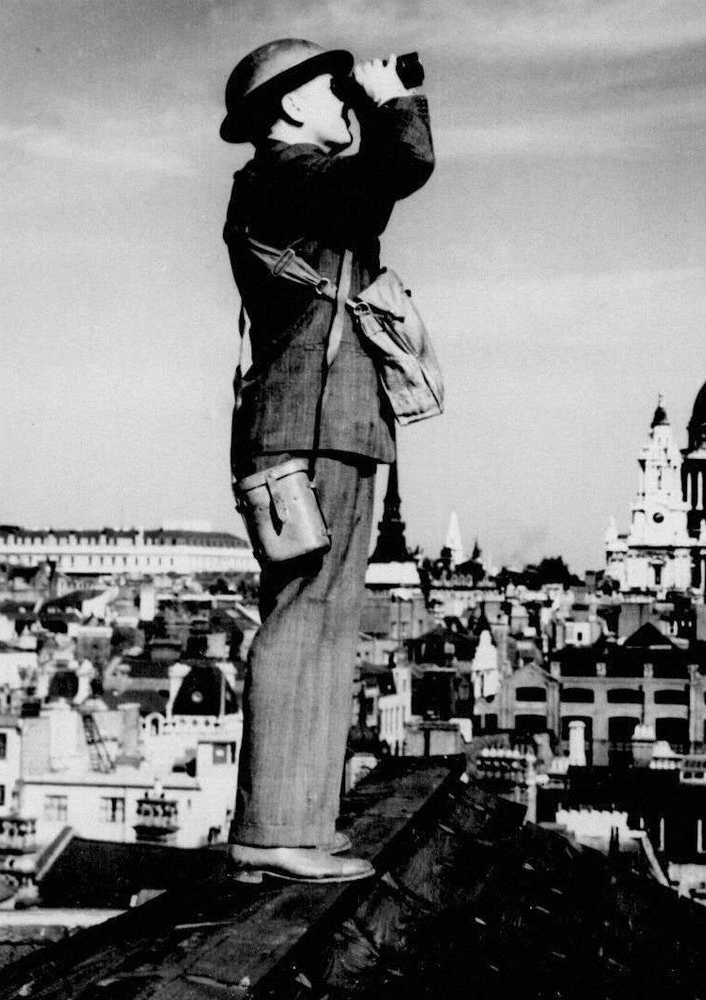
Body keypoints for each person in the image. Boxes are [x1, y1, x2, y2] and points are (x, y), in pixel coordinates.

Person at [218, 38, 434, 882]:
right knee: (304, 619)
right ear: (291, 106)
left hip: (330, 423)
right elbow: (396, 172)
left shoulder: (296, 180)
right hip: (310, 430)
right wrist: (390, 104)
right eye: (329, 88)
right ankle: (273, 828)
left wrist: (376, 109)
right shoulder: (285, 175)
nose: (343, 99)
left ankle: (299, 825)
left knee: (325, 624)